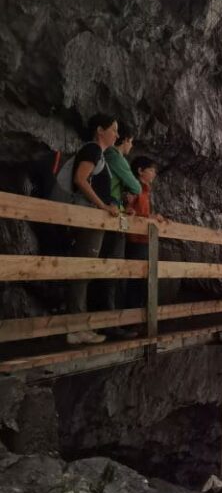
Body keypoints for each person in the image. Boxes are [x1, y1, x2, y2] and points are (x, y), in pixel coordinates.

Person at [64, 114, 120, 345]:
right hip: (87, 218)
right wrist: (103, 206)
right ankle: (75, 329)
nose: (117, 135)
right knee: (83, 270)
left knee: (85, 270)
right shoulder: (92, 150)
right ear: (100, 130)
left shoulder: (99, 155)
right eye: (114, 130)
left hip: (92, 218)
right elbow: (80, 179)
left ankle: (79, 326)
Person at [99, 129, 142, 337]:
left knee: (107, 270)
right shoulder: (115, 156)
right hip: (111, 218)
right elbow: (136, 186)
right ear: (126, 140)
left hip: (111, 212)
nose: (130, 146)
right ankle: (108, 324)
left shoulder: (104, 155)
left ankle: (104, 322)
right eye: (131, 142)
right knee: (112, 271)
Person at [125, 157, 163, 310]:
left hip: (145, 241)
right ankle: (130, 320)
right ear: (140, 171)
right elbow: (128, 212)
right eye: (151, 170)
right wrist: (151, 218)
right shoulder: (134, 189)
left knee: (144, 280)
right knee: (134, 280)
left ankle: (140, 319)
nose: (154, 173)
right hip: (134, 241)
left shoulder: (146, 192)